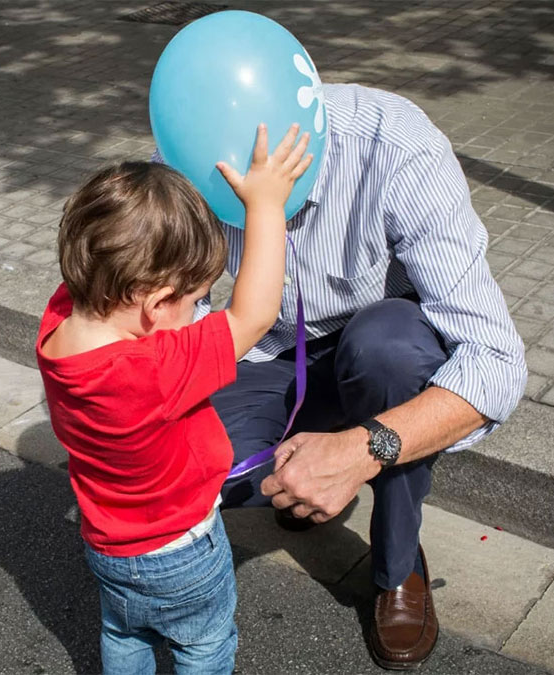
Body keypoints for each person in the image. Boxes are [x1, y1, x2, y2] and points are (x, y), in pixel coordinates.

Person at [171, 83, 528, 670]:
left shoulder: (392, 143)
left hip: (378, 351)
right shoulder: (183, 157)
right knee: (185, 469)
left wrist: (366, 449)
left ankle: (397, 564)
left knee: (391, 350)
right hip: (259, 354)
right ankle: (301, 479)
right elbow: (168, 328)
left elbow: (496, 357)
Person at [37, 125, 311, 673]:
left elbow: (109, 253)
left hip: (107, 545)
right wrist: (265, 205)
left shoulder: (58, 324)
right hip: (181, 552)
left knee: (124, 630)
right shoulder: (153, 370)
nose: (198, 311)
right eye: (193, 300)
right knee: (204, 644)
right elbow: (253, 316)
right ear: (157, 305)